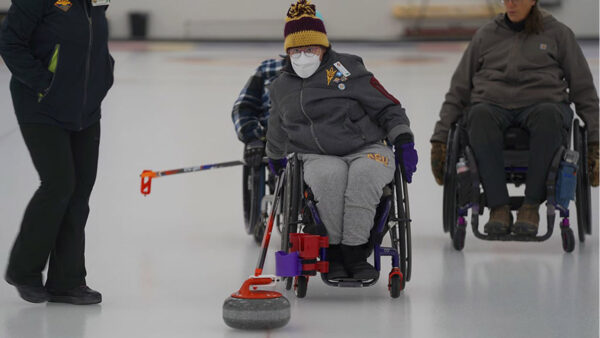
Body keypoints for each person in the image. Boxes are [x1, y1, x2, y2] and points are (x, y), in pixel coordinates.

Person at [266, 0, 418, 280]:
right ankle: (334, 252)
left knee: (365, 175)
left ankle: (355, 251)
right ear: (287, 52)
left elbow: (388, 106)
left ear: (323, 47)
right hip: (315, 155)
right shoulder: (280, 87)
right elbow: (277, 128)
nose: (303, 56)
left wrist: (403, 138)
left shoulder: (346, 68)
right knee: (330, 178)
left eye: (310, 49)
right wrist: (275, 157)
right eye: (296, 51)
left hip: (367, 147)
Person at [430, 0, 599, 236]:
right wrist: (440, 139)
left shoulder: (558, 33)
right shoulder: (486, 34)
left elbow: (583, 90)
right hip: (492, 104)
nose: (510, 2)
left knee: (549, 115)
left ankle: (530, 207)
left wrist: (594, 141)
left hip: (543, 103)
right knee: (477, 115)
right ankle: (498, 207)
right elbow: (459, 89)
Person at [0, 0, 114, 304]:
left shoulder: (96, 0)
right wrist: (44, 84)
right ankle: (23, 270)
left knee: (80, 191)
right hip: (41, 105)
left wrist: (104, 77)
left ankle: (67, 281)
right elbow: (9, 42)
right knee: (59, 184)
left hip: (86, 108)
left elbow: (94, 41)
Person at [232, 57, 286, 168]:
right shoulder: (267, 69)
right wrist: (253, 137)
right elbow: (243, 106)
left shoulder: (330, 70)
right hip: (273, 140)